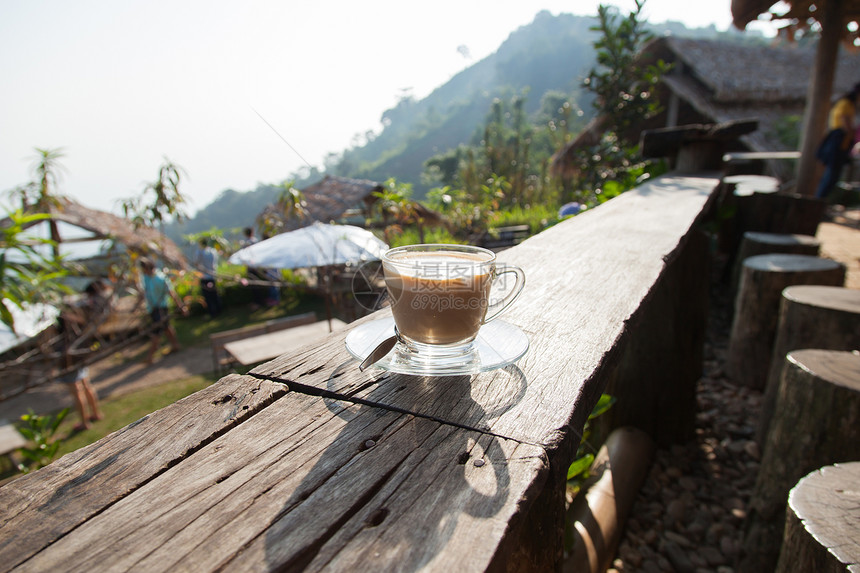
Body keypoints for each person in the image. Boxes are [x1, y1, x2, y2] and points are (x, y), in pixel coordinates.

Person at [57, 280, 106, 431]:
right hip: (80, 354)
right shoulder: (79, 321)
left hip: (70, 359)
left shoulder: (63, 326)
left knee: (76, 390)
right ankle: (96, 413)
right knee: (86, 384)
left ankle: (84, 422)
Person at [138, 257, 188, 365]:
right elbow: (146, 293)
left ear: (147, 268)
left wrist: (180, 306)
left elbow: (171, 293)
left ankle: (150, 356)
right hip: (153, 308)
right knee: (166, 327)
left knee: (156, 332)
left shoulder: (161, 278)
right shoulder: (146, 278)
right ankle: (175, 345)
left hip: (161, 308)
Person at [816, 82, 860, 199]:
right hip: (837, 140)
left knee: (833, 176)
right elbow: (844, 121)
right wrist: (852, 132)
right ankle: (819, 201)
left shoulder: (850, 105)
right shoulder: (845, 103)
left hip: (841, 141)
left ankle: (820, 202)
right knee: (831, 175)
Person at [193, 238, 222, 318]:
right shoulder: (212, 251)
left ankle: (212, 313)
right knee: (214, 294)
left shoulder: (199, 252)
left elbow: (196, 263)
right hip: (212, 275)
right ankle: (219, 310)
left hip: (204, 277)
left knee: (208, 296)